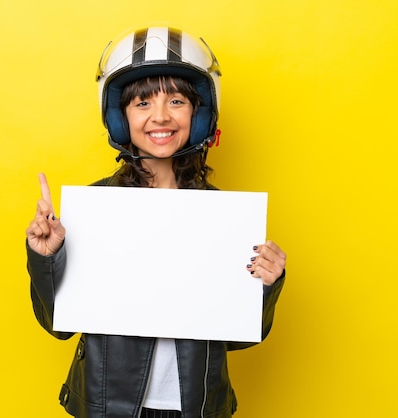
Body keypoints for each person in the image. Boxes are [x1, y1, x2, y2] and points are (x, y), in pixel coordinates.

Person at [25, 26, 287, 418]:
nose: (160, 116)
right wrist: (46, 256)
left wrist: (266, 284)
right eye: (142, 103)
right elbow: (56, 326)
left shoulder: (225, 219)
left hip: (195, 407)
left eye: (177, 100)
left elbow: (236, 338)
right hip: (106, 406)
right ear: (120, 116)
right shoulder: (93, 210)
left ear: (199, 115)